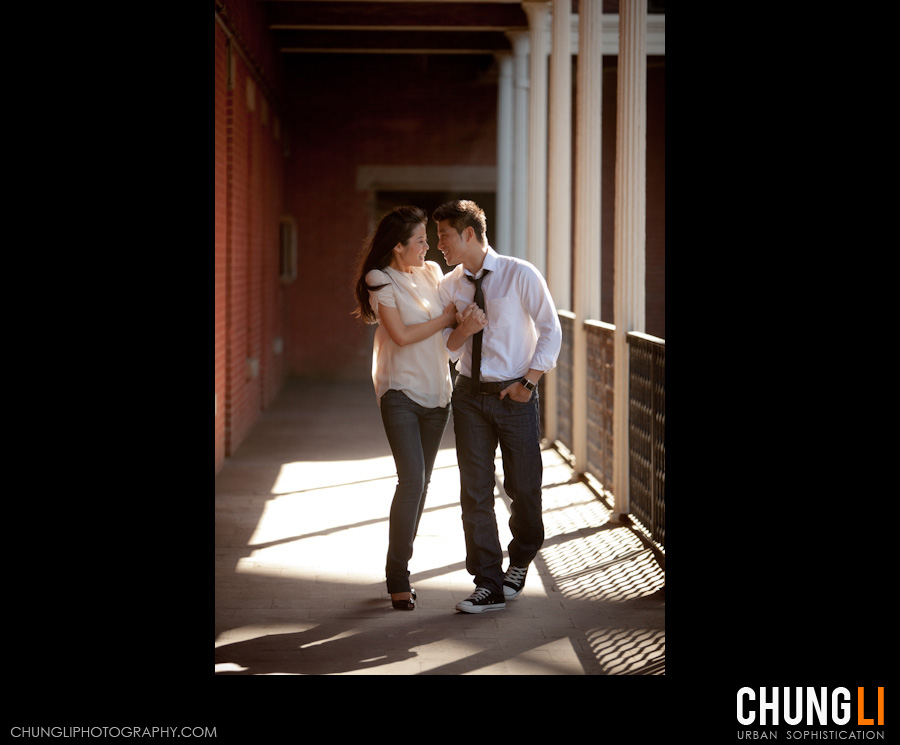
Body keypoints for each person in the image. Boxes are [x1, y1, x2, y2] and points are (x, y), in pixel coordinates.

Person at [435, 200, 562, 613]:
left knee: (523, 487)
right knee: (474, 491)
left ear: (469, 233)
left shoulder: (519, 273)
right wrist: (464, 328)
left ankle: (521, 558)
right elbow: (447, 348)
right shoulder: (449, 285)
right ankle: (487, 581)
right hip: (469, 395)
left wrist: (530, 382)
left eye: (445, 236)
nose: (440, 245)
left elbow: (550, 329)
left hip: (515, 394)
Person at [352, 206, 458, 611]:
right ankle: (398, 577)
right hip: (399, 391)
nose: (428, 246)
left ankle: (400, 568)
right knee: (411, 480)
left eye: (428, 240)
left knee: (423, 484)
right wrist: (446, 317)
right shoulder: (380, 278)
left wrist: (461, 323)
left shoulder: (432, 272)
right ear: (397, 246)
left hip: (438, 392)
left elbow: (447, 333)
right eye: (419, 240)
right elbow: (399, 335)